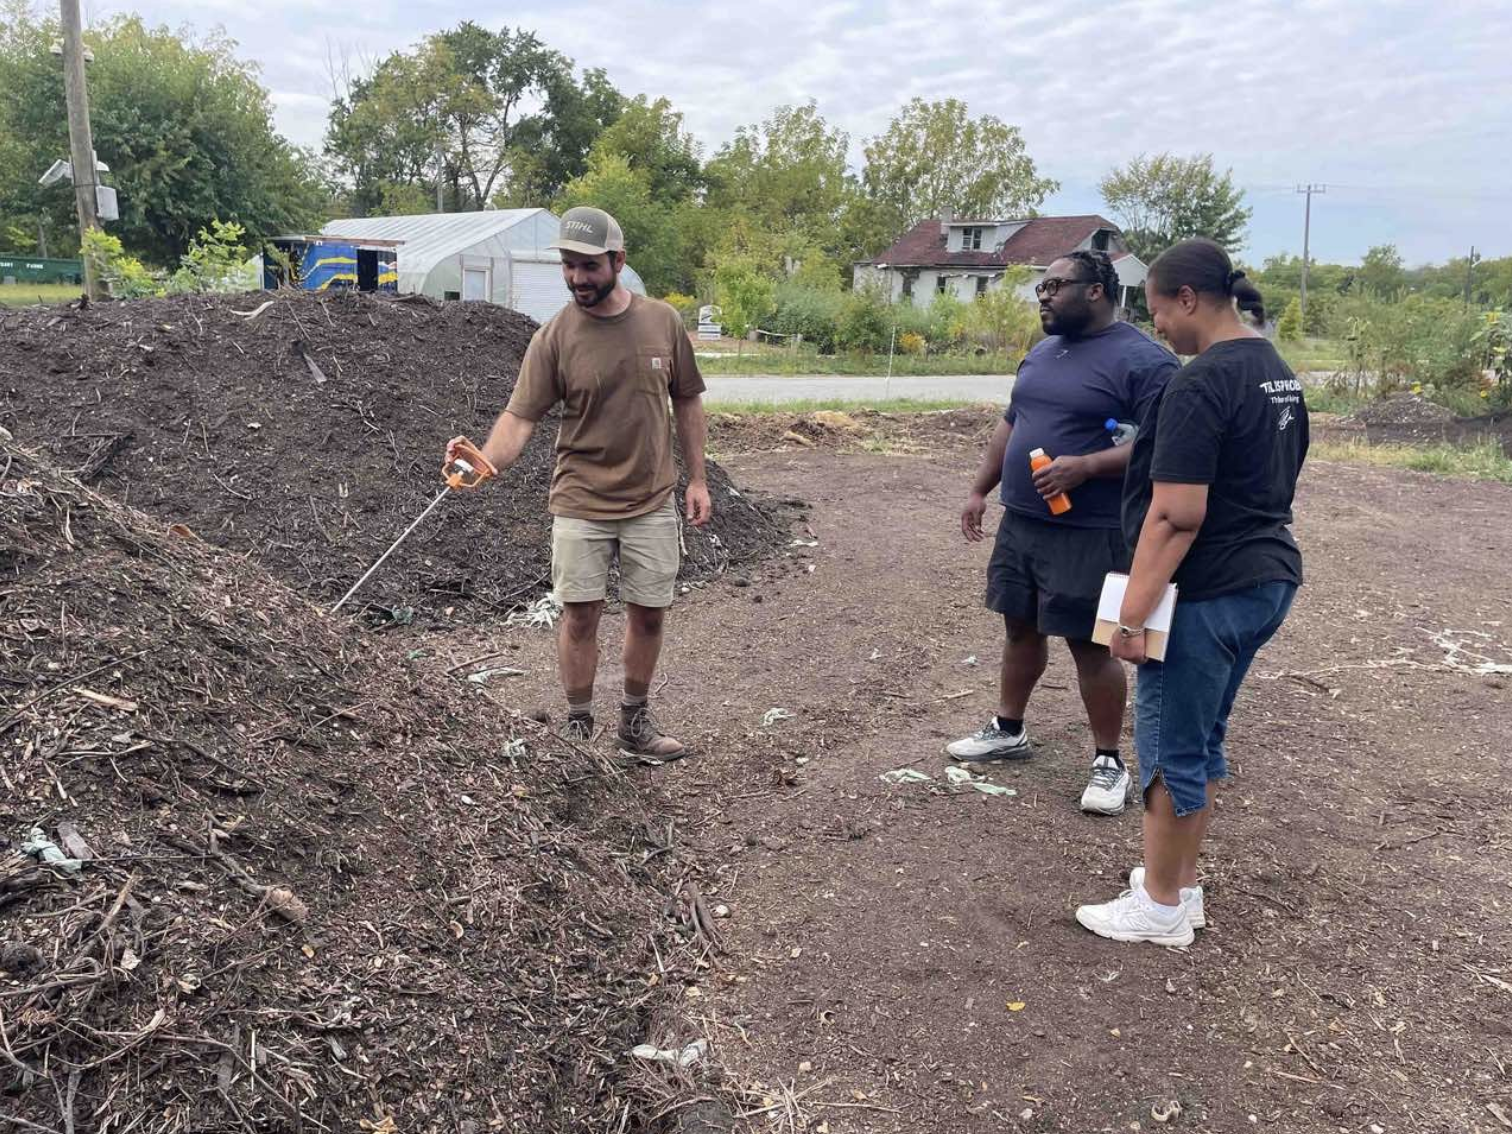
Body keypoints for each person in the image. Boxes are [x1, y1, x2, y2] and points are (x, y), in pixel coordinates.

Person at [1075, 240, 1308, 946]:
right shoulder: (1274, 369)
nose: (1158, 332)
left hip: (1208, 591)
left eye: (1157, 314)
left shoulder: (1200, 382)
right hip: (1266, 577)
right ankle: (1174, 883)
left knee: (1173, 747)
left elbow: (1177, 514)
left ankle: (1161, 908)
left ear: (1187, 298)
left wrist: (1132, 613)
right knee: (1202, 741)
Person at [444, 206, 711, 761]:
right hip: (581, 499)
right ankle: (578, 728)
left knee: (648, 611)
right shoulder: (555, 337)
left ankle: (634, 724)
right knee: (581, 612)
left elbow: (687, 397)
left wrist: (698, 478)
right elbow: (521, 417)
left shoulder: (663, 322)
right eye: (568, 266)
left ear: (618, 261)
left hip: (651, 497)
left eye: (588, 267)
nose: (576, 279)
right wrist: (484, 463)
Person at [952, 251, 1178, 814]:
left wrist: (1089, 465)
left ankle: (1108, 762)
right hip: (1024, 522)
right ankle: (1009, 730)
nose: (1044, 296)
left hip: (1092, 529)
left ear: (1097, 290)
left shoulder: (1145, 362)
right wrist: (981, 489)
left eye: (1056, 286)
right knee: (1020, 630)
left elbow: (1163, 446)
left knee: (1090, 644)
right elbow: (1012, 422)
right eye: (1041, 288)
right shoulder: (1043, 352)